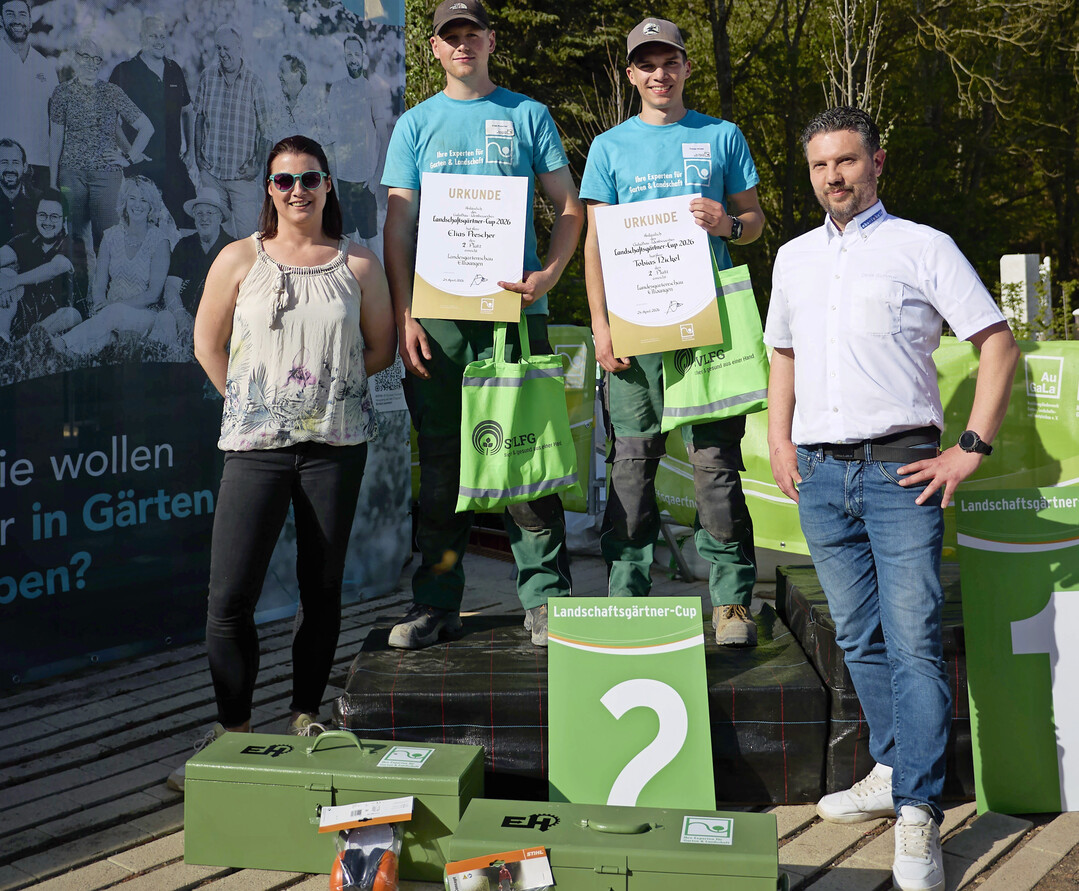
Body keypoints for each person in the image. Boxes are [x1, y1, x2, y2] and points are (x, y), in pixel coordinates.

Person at [764, 106, 1019, 891]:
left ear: (878, 162)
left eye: (845, 161)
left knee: (911, 641)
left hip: (901, 469)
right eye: (818, 166)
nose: (832, 176)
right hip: (817, 473)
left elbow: (996, 343)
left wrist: (968, 448)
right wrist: (778, 440)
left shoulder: (923, 247)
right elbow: (782, 352)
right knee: (859, 634)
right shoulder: (793, 257)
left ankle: (917, 811)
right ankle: (887, 765)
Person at [166, 134, 394, 792]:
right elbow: (207, 343)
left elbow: (376, 348)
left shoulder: (358, 265)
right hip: (254, 450)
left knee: (319, 593)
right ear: (268, 190)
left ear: (328, 187)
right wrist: (253, 403)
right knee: (229, 597)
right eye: (283, 180)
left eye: (310, 178)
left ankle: (305, 715)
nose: (297, 190)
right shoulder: (239, 259)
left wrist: (322, 394)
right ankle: (232, 730)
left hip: (334, 447)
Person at [381, 0, 583, 648]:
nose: (462, 45)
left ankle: (547, 600)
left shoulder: (527, 115)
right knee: (441, 467)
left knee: (524, 458)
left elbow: (570, 208)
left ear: (490, 41)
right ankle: (436, 602)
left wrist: (549, 275)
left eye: (472, 34)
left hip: (515, 310)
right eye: (450, 37)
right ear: (434, 50)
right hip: (437, 317)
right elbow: (398, 224)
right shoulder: (415, 124)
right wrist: (404, 310)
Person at [579, 17, 766, 646]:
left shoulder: (722, 135)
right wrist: (601, 326)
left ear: (686, 67)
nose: (660, 74)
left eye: (671, 62)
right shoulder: (608, 147)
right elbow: (596, 244)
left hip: (708, 329)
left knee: (714, 466)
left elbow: (755, 221)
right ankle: (625, 597)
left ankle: (733, 602)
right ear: (631, 74)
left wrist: (728, 225)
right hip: (634, 331)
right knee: (631, 464)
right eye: (647, 64)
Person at [49, 37, 154, 252]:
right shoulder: (61, 93)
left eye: (96, 59)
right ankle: (77, 286)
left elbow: (147, 127)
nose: (91, 63)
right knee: (72, 239)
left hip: (107, 177)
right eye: (85, 57)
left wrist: (129, 158)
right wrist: (52, 184)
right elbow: (55, 140)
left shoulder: (112, 92)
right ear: (75, 58)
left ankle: (107, 286)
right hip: (71, 174)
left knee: (108, 239)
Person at [56, 175, 175, 356]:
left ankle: (61, 343)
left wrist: (114, 306)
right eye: (132, 198)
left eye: (143, 200)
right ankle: (64, 354)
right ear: (125, 203)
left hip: (144, 315)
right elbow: (99, 283)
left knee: (115, 313)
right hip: (109, 312)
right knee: (102, 340)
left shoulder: (160, 241)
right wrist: (99, 303)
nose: (137, 205)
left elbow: (153, 294)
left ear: (151, 205)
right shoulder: (110, 236)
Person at [109, 14, 197, 224]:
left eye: (162, 36)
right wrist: (131, 152)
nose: (159, 41)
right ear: (141, 38)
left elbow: (187, 111)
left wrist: (191, 149)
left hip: (172, 162)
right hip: (141, 165)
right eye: (153, 36)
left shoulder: (174, 69)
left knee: (189, 219)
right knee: (140, 225)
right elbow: (109, 119)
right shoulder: (124, 71)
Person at [193, 26, 272, 240]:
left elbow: (267, 131)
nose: (222, 53)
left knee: (248, 237)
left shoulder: (255, 83)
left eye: (226, 48)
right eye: (218, 48)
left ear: (239, 48)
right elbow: (199, 117)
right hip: (212, 175)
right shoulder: (207, 77)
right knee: (218, 238)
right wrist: (198, 157)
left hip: (241, 176)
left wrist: (256, 165)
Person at [325, 34, 390, 250]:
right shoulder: (336, 89)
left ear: (363, 56)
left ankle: (378, 283)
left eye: (356, 54)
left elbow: (383, 136)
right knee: (347, 246)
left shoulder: (372, 90)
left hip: (365, 183)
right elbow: (330, 136)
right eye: (348, 54)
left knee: (372, 244)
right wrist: (333, 180)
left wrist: (376, 179)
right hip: (342, 181)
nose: (353, 59)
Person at [0, 188, 80, 341]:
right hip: (25, 313)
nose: (47, 222)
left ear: (64, 219)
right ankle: (3, 337)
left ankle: (22, 344)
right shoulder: (25, 240)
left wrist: (10, 282)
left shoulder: (73, 243)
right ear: (35, 215)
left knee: (70, 314)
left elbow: (56, 267)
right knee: (5, 273)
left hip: (59, 315)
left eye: (54, 217)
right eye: (42, 215)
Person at [0, 0, 56, 186]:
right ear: (1, 19)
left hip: (39, 164)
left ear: (31, 22)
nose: (17, 20)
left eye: (22, 14)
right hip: (3, 164)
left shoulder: (45, 66)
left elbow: (56, 119)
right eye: (10, 14)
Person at [164, 186, 231, 332]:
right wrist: (181, 318)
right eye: (199, 213)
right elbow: (171, 287)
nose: (204, 218)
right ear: (194, 217)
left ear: (220, 217)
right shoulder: (184, 244)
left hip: (219, 321)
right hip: (184, 317)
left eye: (209, 213)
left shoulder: (232, 247)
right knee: (164, 320)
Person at [0, 137, 38, 243]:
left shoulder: (40, 200)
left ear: (25, 167)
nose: (10, 169)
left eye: (15, 162)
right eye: (4, 162)